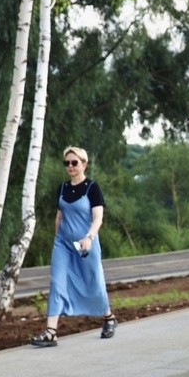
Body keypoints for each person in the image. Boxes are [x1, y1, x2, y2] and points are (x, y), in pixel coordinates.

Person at [31, 146, 117, 347]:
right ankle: (51, 331)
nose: (70, 166)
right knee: (57, 282)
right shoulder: (62, 188)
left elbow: (98, 218)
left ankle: (108, 317)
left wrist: (89, 237)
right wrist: (57, 238)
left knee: (93, 281)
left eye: (74, 162)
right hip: (63, 243)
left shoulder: (92, 188)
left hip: (85, 243)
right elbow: (60, 215)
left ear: (84, 164)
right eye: (67, 163)